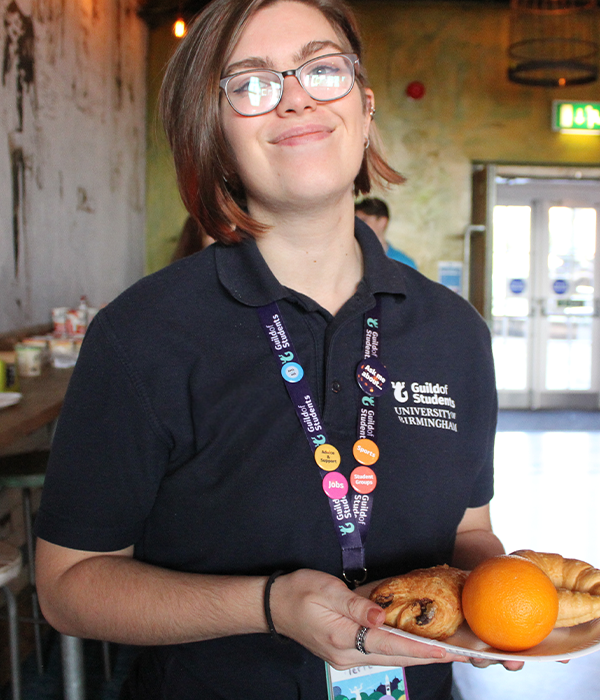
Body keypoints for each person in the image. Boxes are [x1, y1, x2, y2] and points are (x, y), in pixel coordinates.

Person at [35, 1, 521, 698]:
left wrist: (505, 601)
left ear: (364, 105)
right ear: (213, 129)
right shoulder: (141, 334)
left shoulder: (454, 331)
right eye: (253, 83)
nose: (295, 98)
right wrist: (267, 605)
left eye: (323, 69)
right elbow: (67, 586)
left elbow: (471, 531)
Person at [355, 197, 418, 269]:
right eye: (356, 222)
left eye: (363, 221)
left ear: (382, 222)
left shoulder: (404, 264)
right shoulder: (353, 260)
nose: (357, 226)